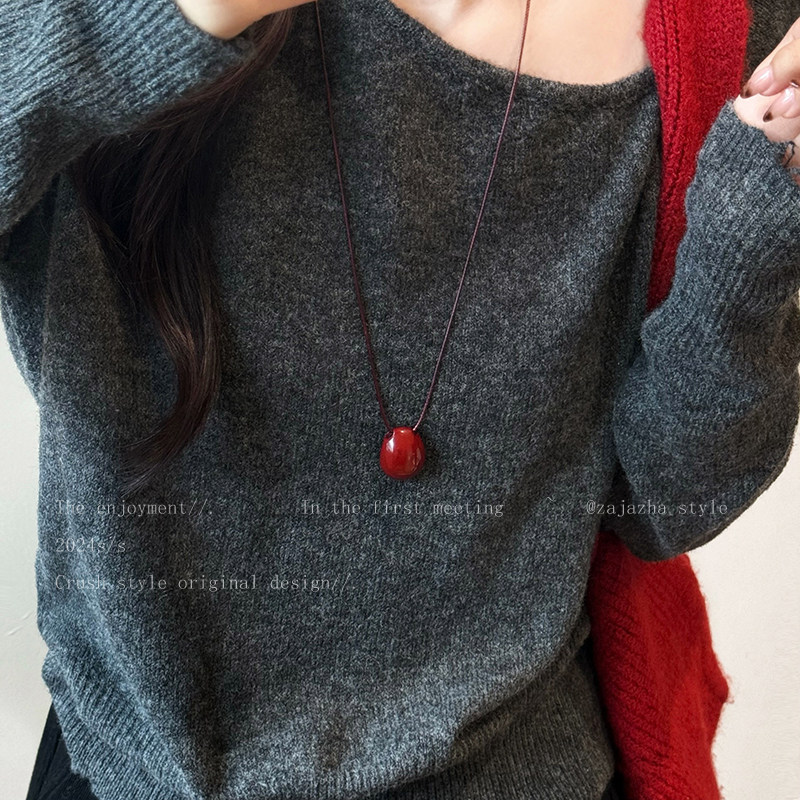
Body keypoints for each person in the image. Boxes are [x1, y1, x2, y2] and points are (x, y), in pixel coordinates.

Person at [3, 1, 800, 799]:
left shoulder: (721, 26)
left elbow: (655, 506)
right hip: (129, 765)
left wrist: (753, 224)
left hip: (518, 766)